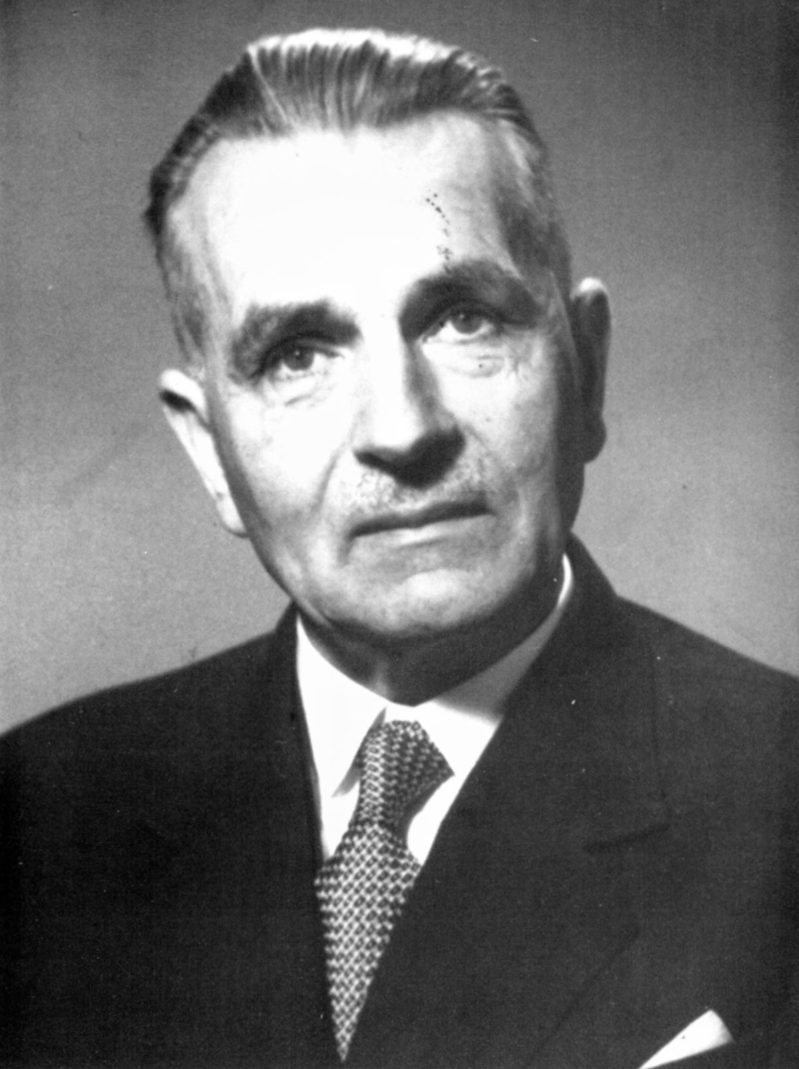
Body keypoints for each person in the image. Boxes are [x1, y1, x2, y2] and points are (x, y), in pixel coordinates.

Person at [1, 27, 797, 1069]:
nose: (403, 427)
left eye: (464, 319)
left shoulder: (778, 794)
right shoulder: (35, 819)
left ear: (586, 368)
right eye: (297, 355)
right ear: (208, 450)